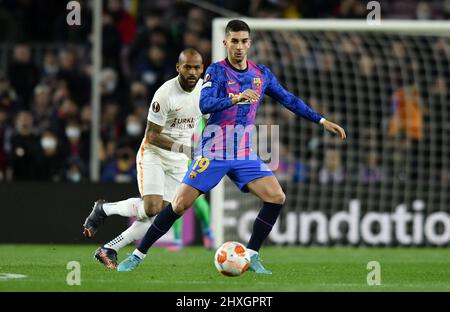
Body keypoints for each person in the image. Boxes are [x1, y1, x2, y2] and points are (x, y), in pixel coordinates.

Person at [117, 20, 346, 274]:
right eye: (234, 41)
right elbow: (204, 104)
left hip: (243, 152)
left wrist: (321, 120)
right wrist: (236, 98)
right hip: (213, 150)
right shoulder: (216, 71)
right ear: (225, 43)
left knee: (276, 197)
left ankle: (252, 253)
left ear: (249, 43)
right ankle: (138, 255)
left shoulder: (261, 74)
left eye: (243, 41)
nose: (239, 46)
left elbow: (288, 100)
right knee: (179, 205)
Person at [82, 48, 204, 269]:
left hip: (178, 160)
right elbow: (152, 135)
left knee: (159, 215)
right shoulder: (165, 94)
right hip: (154, 154)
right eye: (187, 66)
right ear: (178, 68)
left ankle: (109, 248)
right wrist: (185, 148)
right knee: (151, 207)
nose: (192, 71)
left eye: (197, 67)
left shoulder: (203, 91)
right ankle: (104, 209)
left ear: (202, 68)